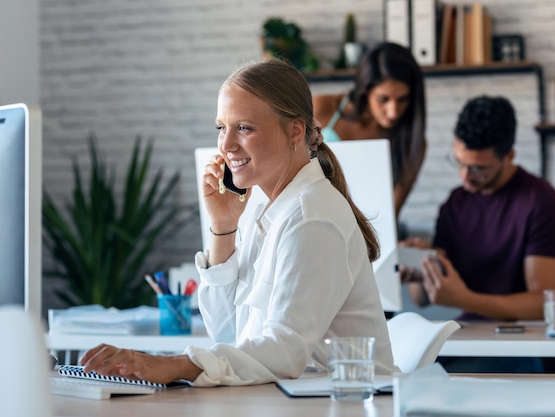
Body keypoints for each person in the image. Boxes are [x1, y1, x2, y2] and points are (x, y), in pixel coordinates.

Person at [80, 58, 398, 386]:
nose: (226, 144)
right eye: (222, 127)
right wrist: (223, 227)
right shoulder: (265, 209)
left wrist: (175, 365)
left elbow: (284, 351)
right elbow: (229, 333)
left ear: (295, 131)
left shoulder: (312, 218)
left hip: (347, 403)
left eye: (243, 128)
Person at [401, 95, 555, 372]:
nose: (465, 176)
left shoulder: (539, 200)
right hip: (470, 335)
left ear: (509, 156)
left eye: (479, 169)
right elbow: (421, 299)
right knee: (410, 372)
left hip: (525, 345)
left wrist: (464, 300)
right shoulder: (455, 203)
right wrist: (420, 268)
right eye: (459, 162)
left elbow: (543, 304)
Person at [313, 42, 426, 217]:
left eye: (403, 99)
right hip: (314, 219)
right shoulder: (322, 108)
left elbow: (390, 215)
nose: (393, 112)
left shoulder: (413, 142)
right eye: (383, 99)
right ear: (366, 90)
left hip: (370, 233)